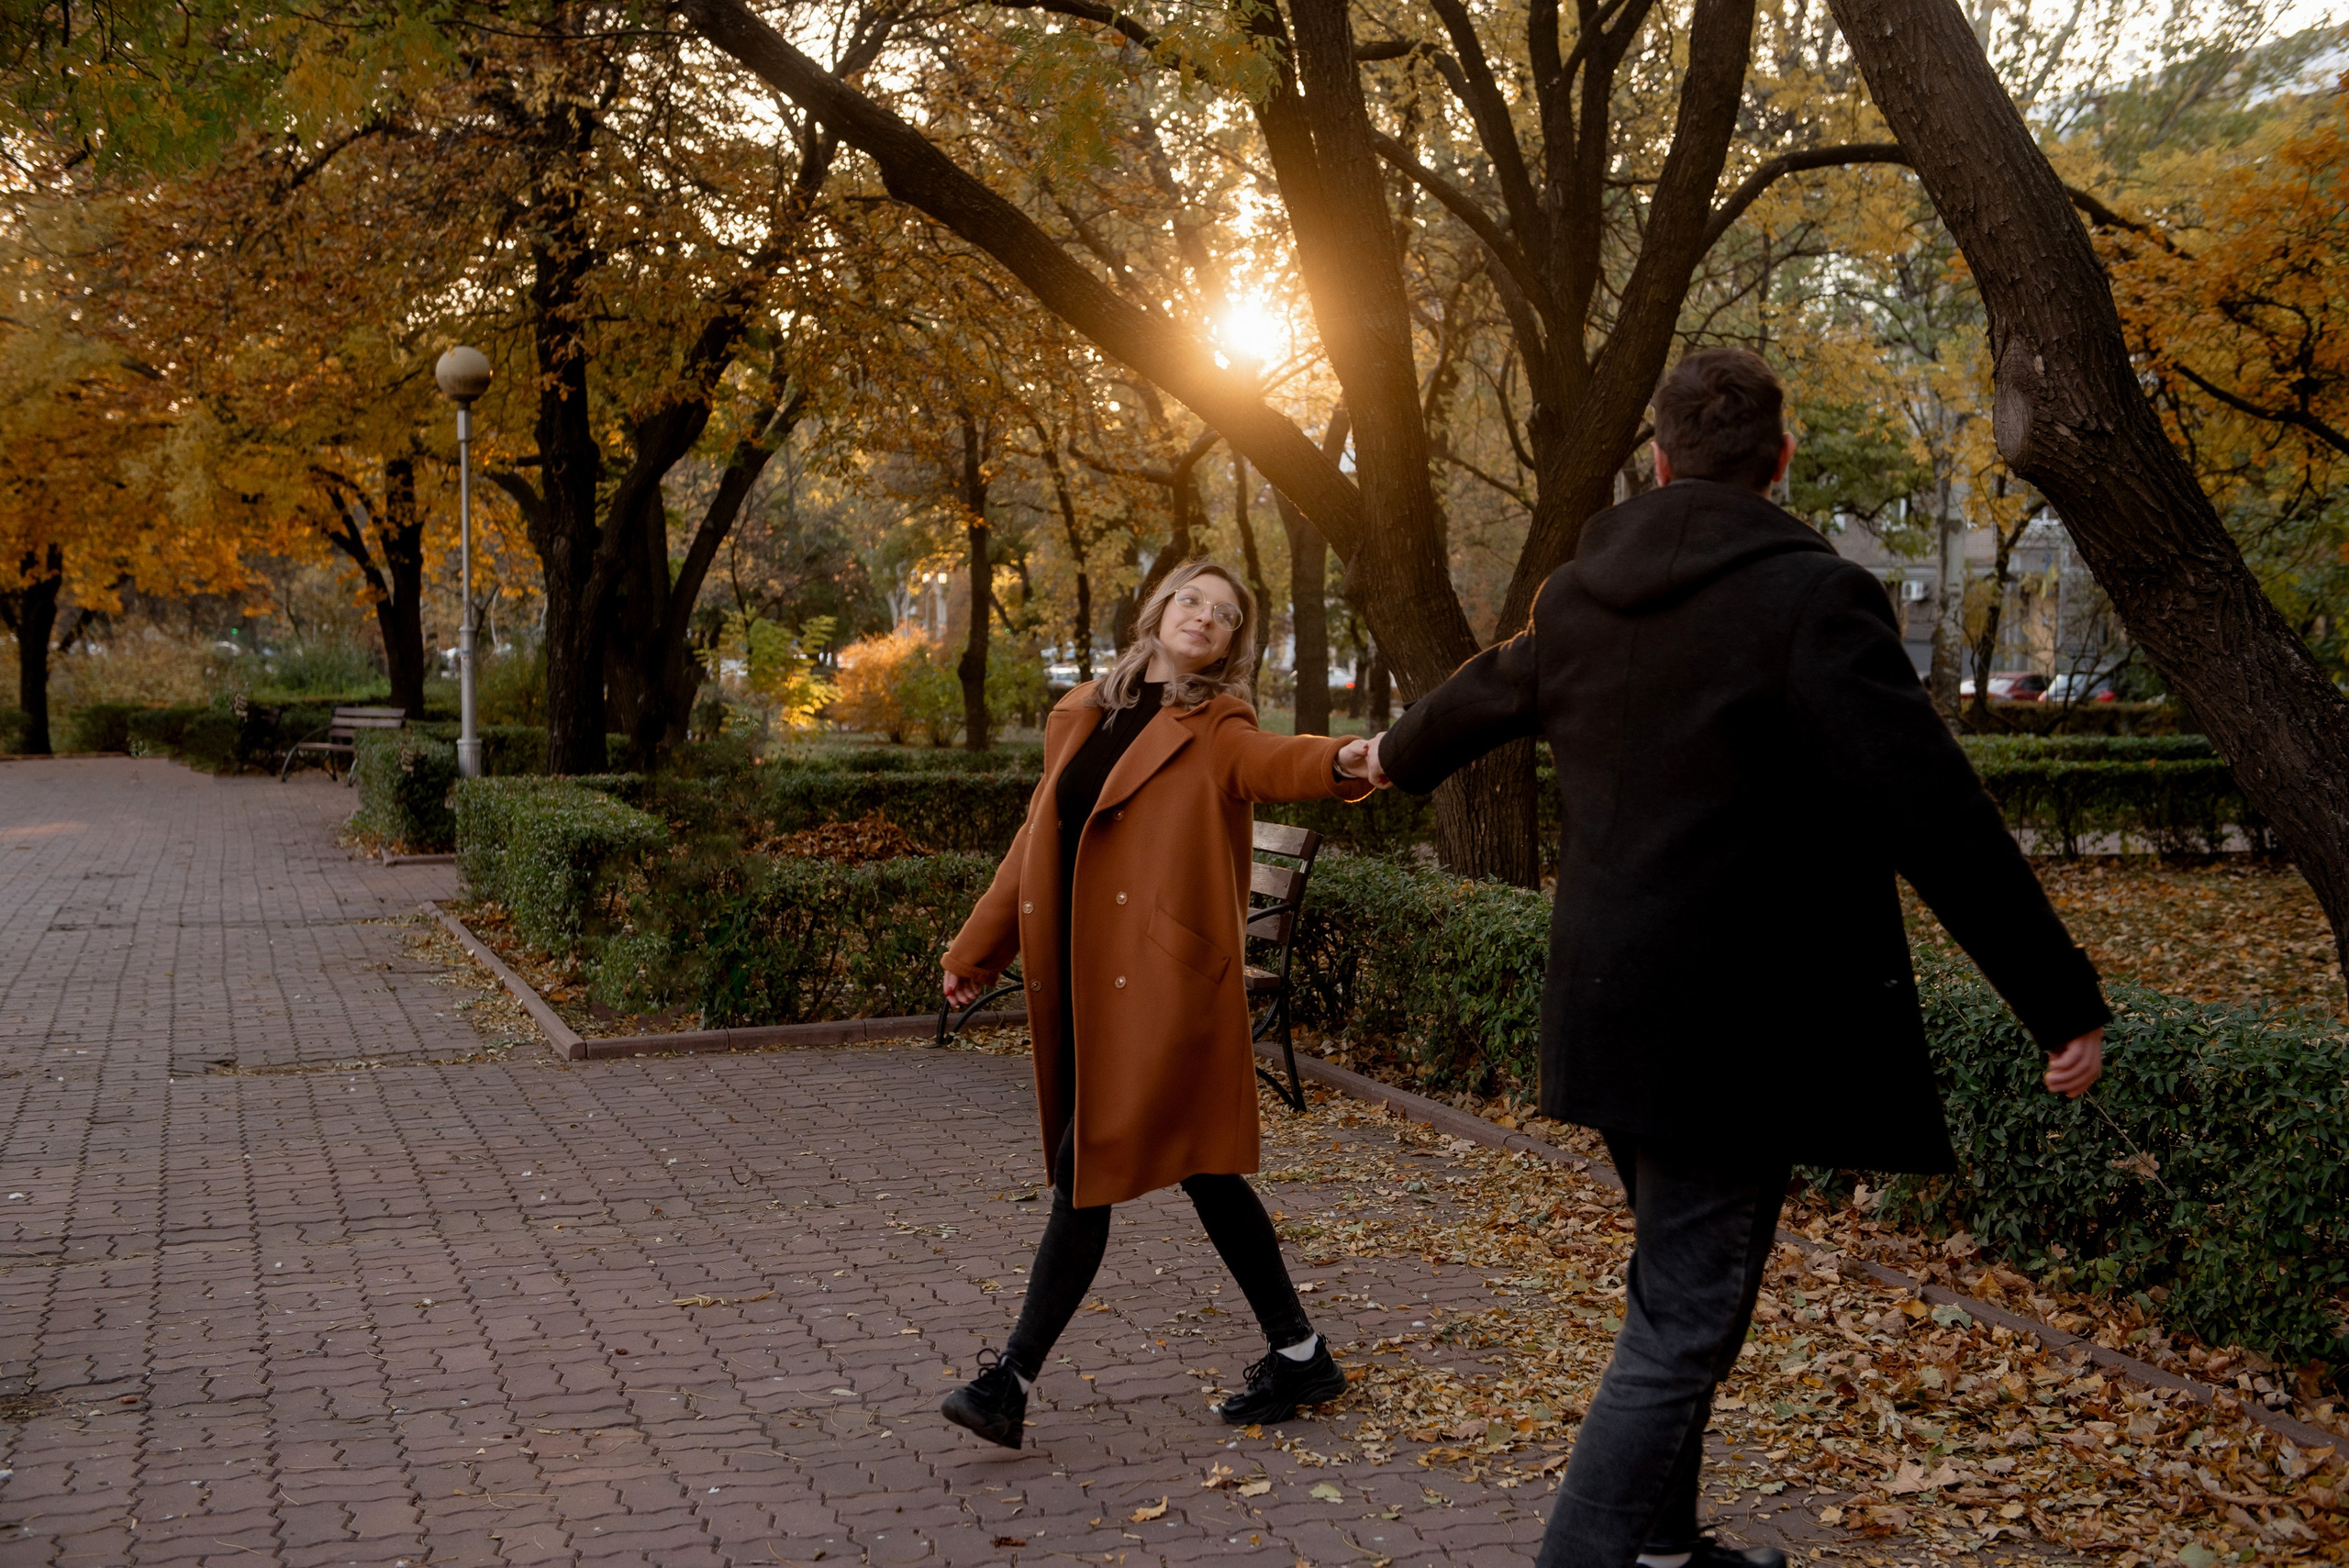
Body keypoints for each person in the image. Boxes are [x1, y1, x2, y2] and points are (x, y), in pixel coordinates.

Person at [1364, 349, 2110, 1568]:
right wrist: (2057, 997)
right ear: (1782, 459)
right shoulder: (1811, 601)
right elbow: (1936, 810)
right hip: (1728, 1037)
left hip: (1606, 1017)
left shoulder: (1578, 596)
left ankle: (1662, 1549)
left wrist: (1388, 760)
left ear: (1655, 458)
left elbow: (1479, 696)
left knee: (1672, 1294)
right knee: (1685, 1322)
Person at [937, 560, 1381, 1450]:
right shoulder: (1088, 710)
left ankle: (1009, 1381)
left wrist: (1342, 761)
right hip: (1089, 984)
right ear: (1159, 608)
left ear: (1230, 643)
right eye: (1192, 599)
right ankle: (1300, 1351)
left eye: (1224, 614)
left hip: (1161, 990)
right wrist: (978, 948)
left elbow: (1273, 761)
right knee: (1204, 1172)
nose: (1204, 617)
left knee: (1086, 1168)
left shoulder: (1215, 722)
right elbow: (1035, 840)